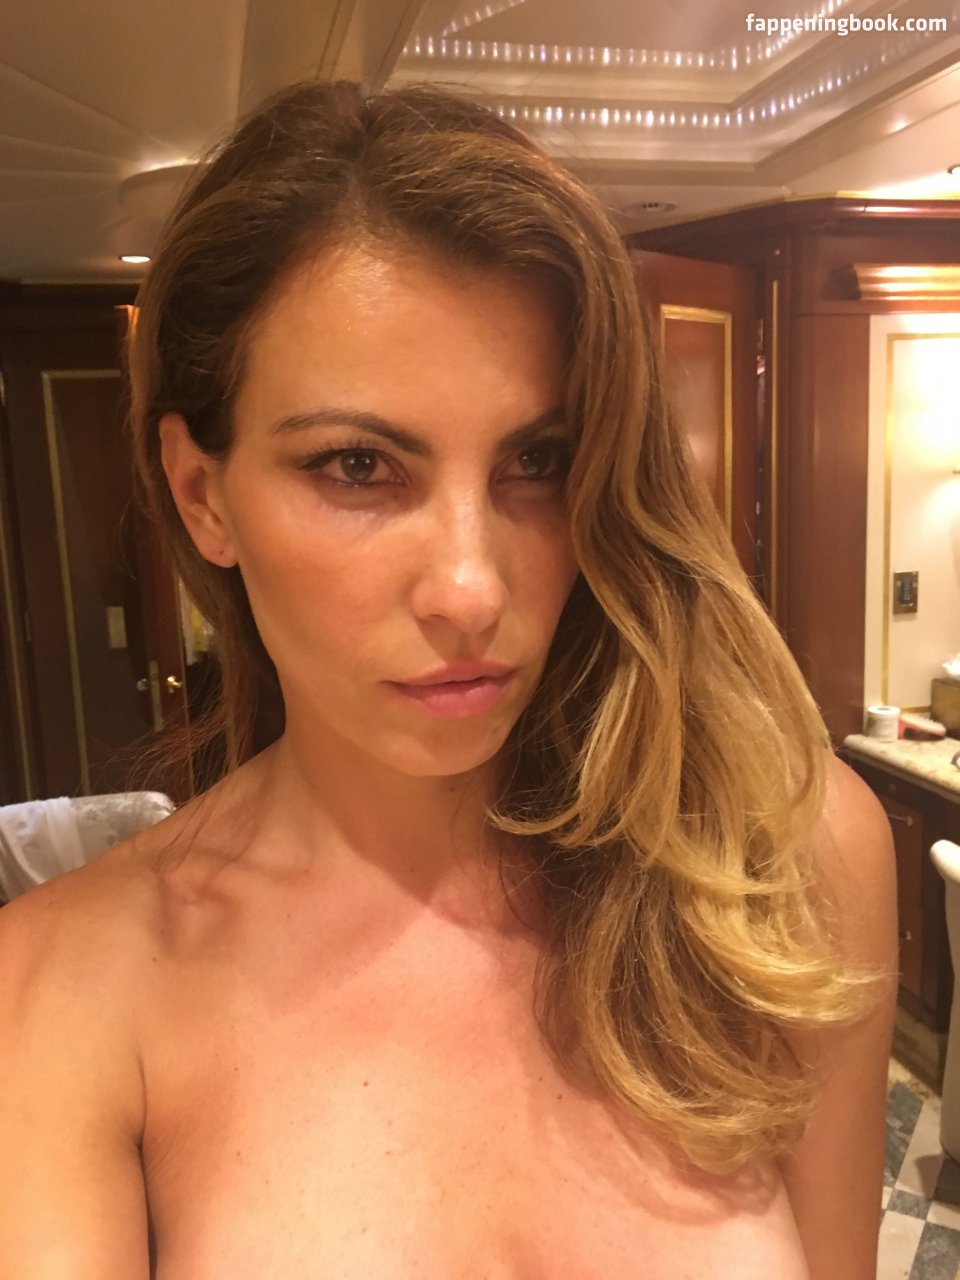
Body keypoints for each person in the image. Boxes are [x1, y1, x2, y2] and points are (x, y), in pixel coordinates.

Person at [0, 80, 897, 1279]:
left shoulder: (783, 864)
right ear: (203, 493)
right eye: (357, 465)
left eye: (539, 459)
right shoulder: (67, 987)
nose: (472, 588)